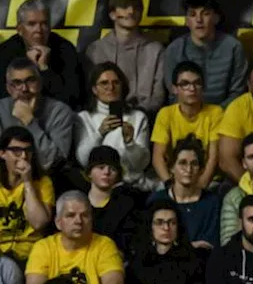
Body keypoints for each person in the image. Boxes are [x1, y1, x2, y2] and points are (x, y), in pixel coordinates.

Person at [24, 191, 125, 284]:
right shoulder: (43, 247)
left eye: (85, 215)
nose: (78, 221)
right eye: (71, 215)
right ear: (58, 222)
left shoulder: (105, 245)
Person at [125, 201, 206, 284]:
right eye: (159, 222)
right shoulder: (137, 263)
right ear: (150, 227)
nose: (166, 228)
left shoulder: (193, 261)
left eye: (172, 222)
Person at [84, 0, 167, 114]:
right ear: (112, 14)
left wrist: (137, 115)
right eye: (124, 7)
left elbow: (158, 95)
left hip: (145, 116)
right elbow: (91, 92)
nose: (131, 11)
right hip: (104, 116)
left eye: (136, 7)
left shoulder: (155, 50)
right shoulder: (96, 50)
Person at [161, 0, 247, 107]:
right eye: (192, 15)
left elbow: (237, 92)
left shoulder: (234, 47)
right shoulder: (174, 50)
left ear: (216, 18)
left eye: (205, 14)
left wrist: (215, 115)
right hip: (187, 115)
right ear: (186, 21)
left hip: (224, 116)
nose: (199, 20)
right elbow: (174, 94)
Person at [74, 62, 152, 189]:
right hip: (98, 187)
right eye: (104, 83)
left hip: (132, 186)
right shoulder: (84, 117)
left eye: (116, 82)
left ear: (122, 86)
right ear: (94, 89)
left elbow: (141, 164)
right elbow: (83, 160)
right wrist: (99, 133)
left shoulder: (138, 117)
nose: (111, 87)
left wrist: (130, 143)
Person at [150, 62, 223, 191]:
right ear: (174, 89)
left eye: (197, 83)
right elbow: (158, 157)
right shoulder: (165, 114)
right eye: (185, 84)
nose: (192, 88)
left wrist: (200, 187)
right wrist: (170, 185)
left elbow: (214, 157)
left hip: (208, 182)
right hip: (174, 181)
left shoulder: (215, 113)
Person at [0, 0, 83, 108]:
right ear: (19, 29)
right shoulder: (5, 52)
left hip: (55, 115)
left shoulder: (65, 49)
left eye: (44, 24)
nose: (38, 30)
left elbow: (72, 97)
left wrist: (43, 69)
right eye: (31, 24)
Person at [0, 58, 75, 178]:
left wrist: (30, 122)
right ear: (8, 88)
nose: (24, 89)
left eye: (30, 81)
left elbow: (54, 162)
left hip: (48, 177)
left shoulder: (60, 111)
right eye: (17, 83)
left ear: (40, 82)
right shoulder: (1, 109)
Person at [148, 139, 221, 251]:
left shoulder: (212, 202)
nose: (188, 169)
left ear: (201, 170)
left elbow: (209, 245)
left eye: (194, 164)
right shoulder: (157, 199)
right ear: (172, 168)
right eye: (183, 163)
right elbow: (150, 242)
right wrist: (191, 246)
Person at [0, 126, 53, 265]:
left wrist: (27, 182)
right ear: (2, 153)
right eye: (16, 151)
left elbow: (38, 223)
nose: (23, 156)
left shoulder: (43, 183)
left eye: (28, 151)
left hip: (31, 254)